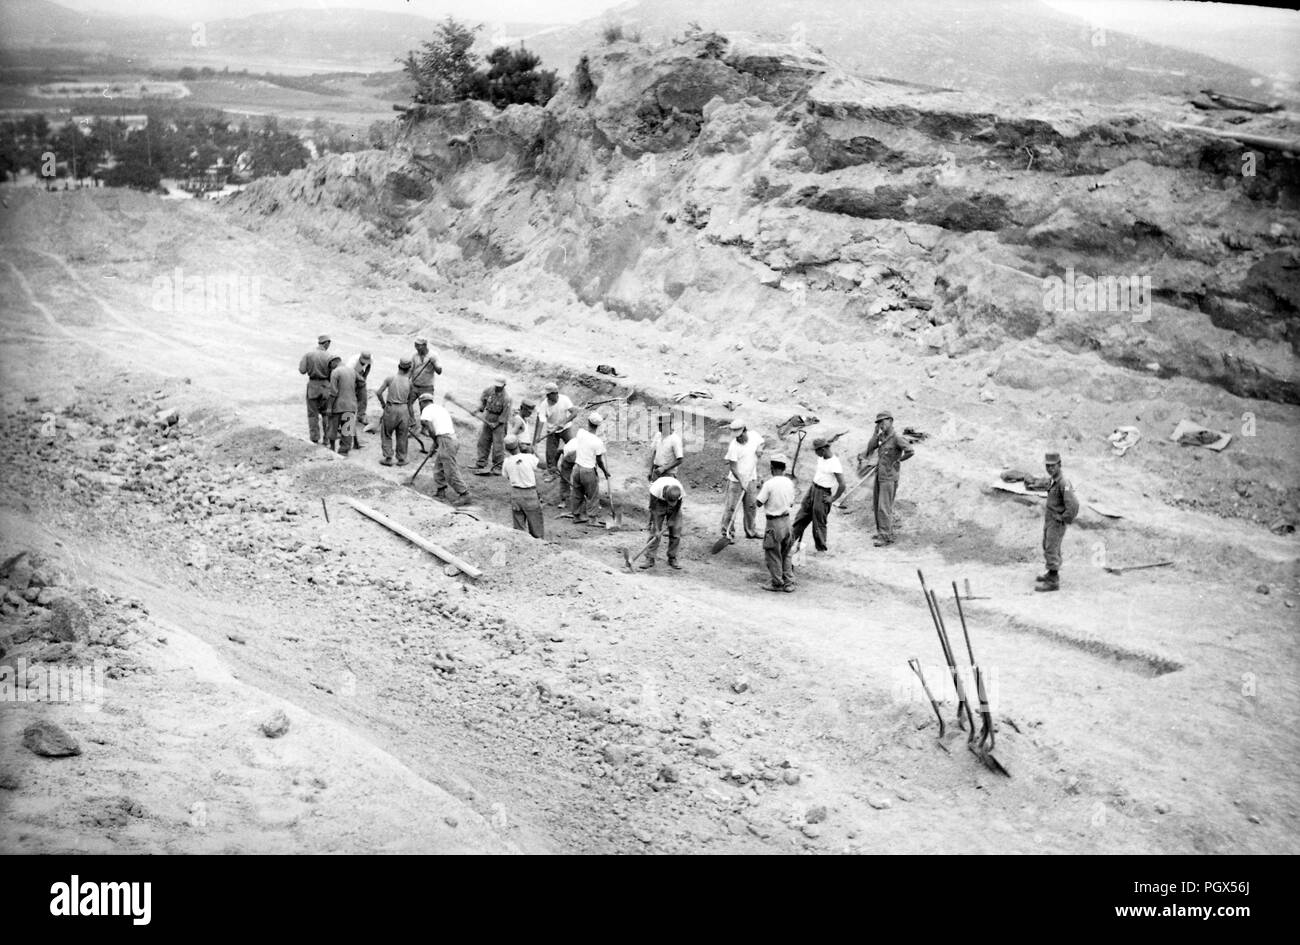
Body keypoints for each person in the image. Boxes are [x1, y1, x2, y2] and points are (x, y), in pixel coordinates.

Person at [859, 410, 915, 546]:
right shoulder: (882, 437)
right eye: (878, 422)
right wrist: (875, 433)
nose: (881, 424)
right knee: (878, 505)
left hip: (889, 477)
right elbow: (870, 448)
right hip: (880, 475)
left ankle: (884, 537)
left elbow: (910, 451)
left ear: (891, 421)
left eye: (883, 421)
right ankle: (883, 533)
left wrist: (899, 460)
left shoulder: (897, 438)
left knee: (884, 507)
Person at [792, 436, 847, 553]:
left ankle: (821, 549)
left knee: (819, 523)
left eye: (816, 451)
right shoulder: (821, 458)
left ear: (823, 449)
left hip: (823, 493)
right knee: (801, 515)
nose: (815, 453)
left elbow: (842, 484)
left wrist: (833, 498)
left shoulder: (835, 463)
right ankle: (789, 541)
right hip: (813, 488)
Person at [1036, 451, 1079, 592]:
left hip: (1056, 521)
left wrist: (1064, 518)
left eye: (1052, 466)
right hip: (1050, 519)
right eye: (1047, 466)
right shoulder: (1053, 480)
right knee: (1048, 545)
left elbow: (1073, 505)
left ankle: (1053, 581)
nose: (1050, 468)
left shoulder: (1063, 483)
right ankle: (1051, 573)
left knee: (1051, 548)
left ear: (1059, 465)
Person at [418, 393, 471, 504]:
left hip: (446, 440)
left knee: (450, 470)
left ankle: (464, 493)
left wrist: (435, 441)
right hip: (450, 438)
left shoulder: (426, 410)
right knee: (439, 467)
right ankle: (440, 491)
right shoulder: (440, 408)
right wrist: (436, 442)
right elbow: (440, 428)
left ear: (422, 403)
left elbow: (431, 430)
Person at [756, 453, 797, 592]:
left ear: (772, 468)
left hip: (774, 523)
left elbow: (758, 503)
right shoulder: (789, 483)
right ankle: (789, 582)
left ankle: (777, 582)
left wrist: (759, 488)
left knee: (773, 554)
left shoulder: (769, 484)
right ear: (784, 468)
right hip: (787, 521)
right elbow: (791, 503)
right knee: (786, 553)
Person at [720, 419, 762, 543]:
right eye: (736, 436)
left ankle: (751, 531)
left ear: (745, 431)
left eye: (740, 435)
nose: (738, 438)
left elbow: (761, 443)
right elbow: (733, 467)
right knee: (731, 508)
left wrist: (760, 448)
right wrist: (742, 480)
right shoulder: (733, 446)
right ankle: (727, 532)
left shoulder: (754, 435)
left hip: (751, 479)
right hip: (736, 481)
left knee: (751, 507)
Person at [563, 412, 608, 524]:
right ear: (598, 426)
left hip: (577, 468)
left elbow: (588, 431)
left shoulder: (581, 433)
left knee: (577, 493)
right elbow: (599, 461)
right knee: (593, 495)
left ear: (588, 422)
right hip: (588, 470)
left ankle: (577, 516)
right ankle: (592, 519)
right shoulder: (598, 442)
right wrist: (605, 471)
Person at [501, 435, 544, 538]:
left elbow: (507, 476)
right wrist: (535, 452)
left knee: (519, 529)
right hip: (530, 494)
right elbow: (544, 465)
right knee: (536, 525)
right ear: (519, 445)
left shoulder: (506, 462)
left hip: (516, 494)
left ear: (506, 448)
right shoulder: (529, 458)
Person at [375, 358, 414, 466]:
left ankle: (388, 458)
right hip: (404, 409)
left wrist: (383, 404)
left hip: (391, 408)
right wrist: (412, 418)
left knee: (387, 433)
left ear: (398, 366)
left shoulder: (390, 378)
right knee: (402, 435)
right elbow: (410, 402)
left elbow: (378, 393)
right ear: (408, 369)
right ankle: (401, 459)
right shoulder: (410, 383)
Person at [297, 333, 334, 445]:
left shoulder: (308, 355)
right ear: (326, 343)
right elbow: (334, 374)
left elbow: (302, 370)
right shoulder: (330, 357)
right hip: (326, 387)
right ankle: (327, 439)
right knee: (326, 414)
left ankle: (314, 438)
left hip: (313, 386)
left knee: (312, 414)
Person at [641, 476, 684, 570]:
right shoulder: (655, 490)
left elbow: (678, 506)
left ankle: (672, 558)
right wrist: (657, 528)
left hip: (675, 508)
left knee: (676, 532)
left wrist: (672, 519)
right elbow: (653, 509)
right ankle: (650, 558)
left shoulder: (679, 490)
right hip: (658, 503)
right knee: (654, 533)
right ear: (664, 494)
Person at [473, 375, 511, 475]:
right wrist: (478, 409)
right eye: (496, 385)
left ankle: (498, 467)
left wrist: (496, 424)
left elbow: (505, 415)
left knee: (498, 446)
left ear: (504, 386)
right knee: (483, 441)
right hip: (488, 417)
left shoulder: (507, 398)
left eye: (500, 386)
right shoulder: (489, 390)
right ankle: (481, 462)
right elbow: (483, 402)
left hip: (499, 421)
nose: (497, 387)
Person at [541, 382, 579, 478]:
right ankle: (552, 471)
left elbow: (574, 412)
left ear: (555, 393)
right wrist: (537, 437)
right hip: (552, 430)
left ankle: (578, 468)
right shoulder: (544, 404)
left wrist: (564, 422)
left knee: (573, 447)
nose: (547, 397)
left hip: (565, 428)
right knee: (550, 453)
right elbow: (540, 420)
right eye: (547, 395)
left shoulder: (564, 399)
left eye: (549, 394)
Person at [326, 354, 358, 456]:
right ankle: (344, 451)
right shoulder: (352, 371)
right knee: (347, 430)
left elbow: (333, 392)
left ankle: (331, 448)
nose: (330, 368)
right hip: (351, 405)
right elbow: (361, 384)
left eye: (330, 365)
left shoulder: (335, 372)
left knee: (333, 427)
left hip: (338, 406)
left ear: (333, 362)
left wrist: (329, 406)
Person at [409, 337, 442, 420]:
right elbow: (410, 370)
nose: (416, 347)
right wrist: (407, 381)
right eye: (415, 345)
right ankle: (412, 421)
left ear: (424, 345)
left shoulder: (433, 355)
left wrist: (433, 363)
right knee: (408, 404)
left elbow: (439, 371)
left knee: (426, 409)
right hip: (414, 386)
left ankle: (425, 428)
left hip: (427, 387)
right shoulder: (414, 356)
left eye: (418, 345)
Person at [648, 411, 684, 481]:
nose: (659, 427)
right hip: (656, 471)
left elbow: (680, 460)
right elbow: (655, 453)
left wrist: (664, 468)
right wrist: (650, 470)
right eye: (659, 424)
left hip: (668, 474)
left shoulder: (675, 439)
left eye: (661, 425)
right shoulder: (658, 435)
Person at [351, 351, 372, 448]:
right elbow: (350, 375)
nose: (365, 363)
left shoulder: (370, 360)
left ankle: (361, 416)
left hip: (361, 378)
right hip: (351, 378)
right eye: (363, 361)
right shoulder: (352, 363)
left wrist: (364, 379)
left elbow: (368, 368)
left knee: (363, 397)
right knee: (351, 399)